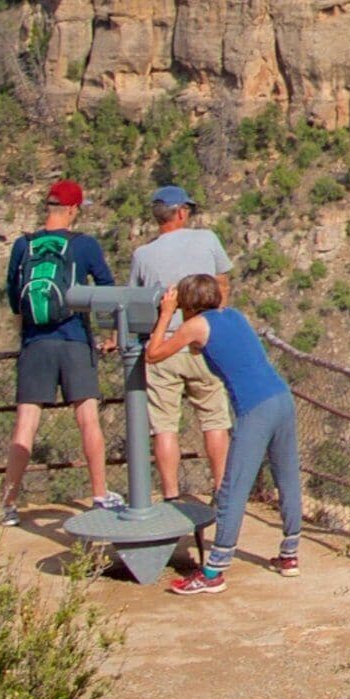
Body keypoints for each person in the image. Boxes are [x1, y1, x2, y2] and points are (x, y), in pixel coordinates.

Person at [146, 272, 301, 591]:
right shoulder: (233, 315)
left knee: (232, 488)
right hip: (281, 398)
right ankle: (289, 555)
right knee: (287, 478)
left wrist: (165, 315)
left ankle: (213, 572)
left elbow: (154, 354)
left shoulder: (194, 325)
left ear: (187, 303)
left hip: (255, 407)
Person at [2, 179, 121, 522]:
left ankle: (8, 504)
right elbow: (107, 289)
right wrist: (110, 333)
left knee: (25, 424)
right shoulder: (83, 245)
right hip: (74, 340)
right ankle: (99, 494)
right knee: (87, 418)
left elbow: (14, 297)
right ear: (72, 210)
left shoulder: (23, 245)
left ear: (48, 207)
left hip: (34, 343)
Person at [128, 184, 235, 503]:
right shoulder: (206, 239)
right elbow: (223, 284)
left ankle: (172, 496)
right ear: (181, 212)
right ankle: (221, 490)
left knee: (164, 426)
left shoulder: (142, 254)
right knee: (215, 419)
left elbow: (135, 303)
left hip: (165, 343)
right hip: (203, 338)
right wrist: (216, 320)